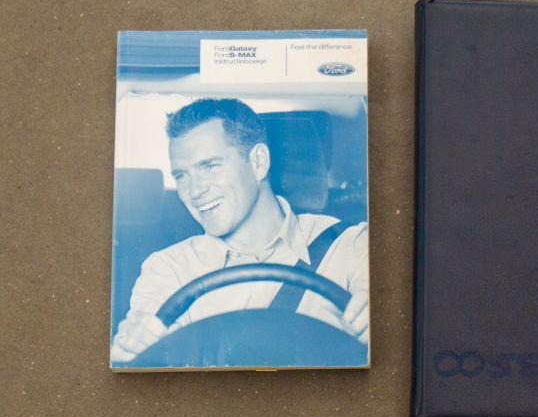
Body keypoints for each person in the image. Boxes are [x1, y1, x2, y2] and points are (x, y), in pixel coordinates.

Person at [110, 98, 368, 363]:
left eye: (210, 166)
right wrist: (135, 347)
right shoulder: (168, 268)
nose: (194, 191)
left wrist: (374, 311)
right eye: (181, 176)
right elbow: (149, 340)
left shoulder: (349, 245)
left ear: (258, 162)